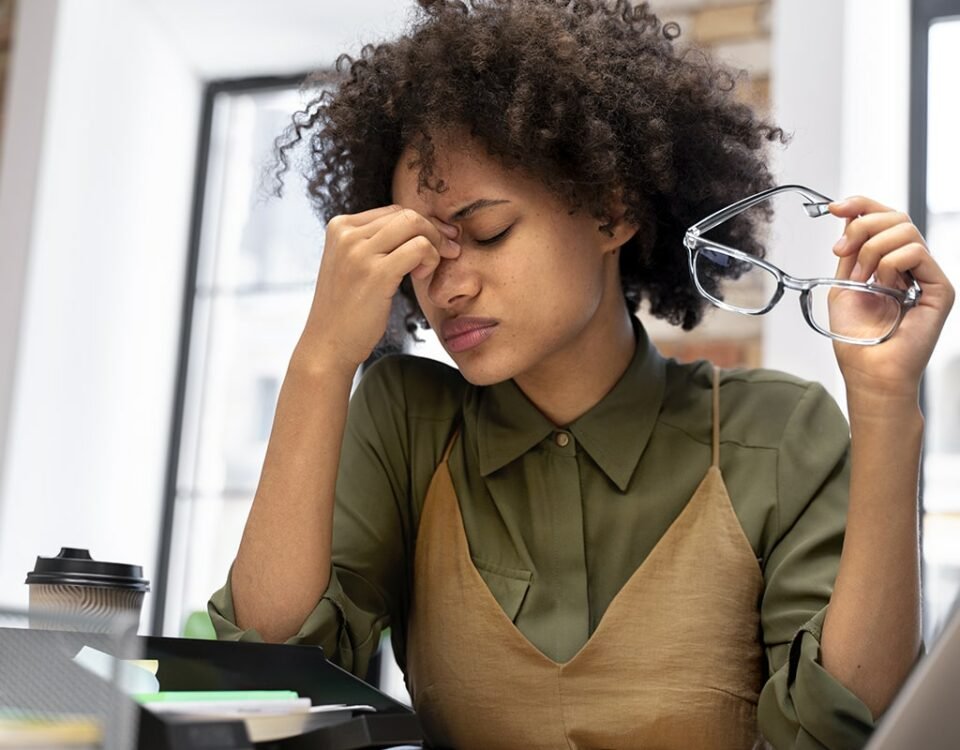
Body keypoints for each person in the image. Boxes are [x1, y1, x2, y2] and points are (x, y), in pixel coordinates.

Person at [209, 1, 955, 748]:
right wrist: (320, 361)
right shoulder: (407, 421)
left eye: (489, 232)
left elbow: (847, 728)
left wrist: (887, 404)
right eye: (423, 251)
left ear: (612, 211)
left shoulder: (778, 434)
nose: (449, 285)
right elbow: (269, 683)